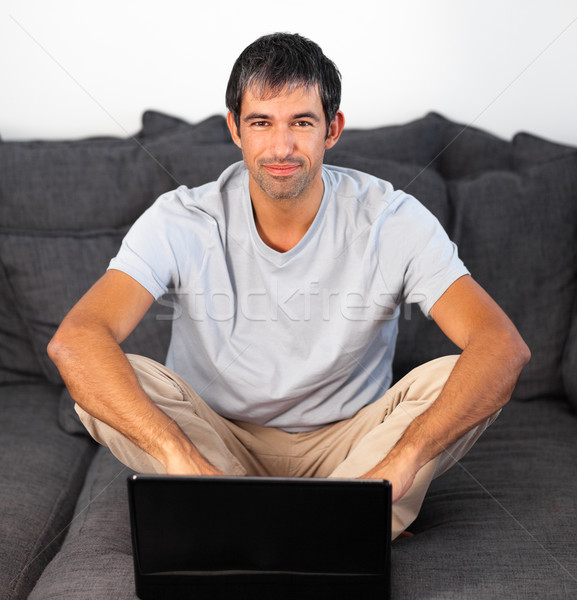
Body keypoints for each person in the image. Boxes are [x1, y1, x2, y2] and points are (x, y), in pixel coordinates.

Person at [48, 32, 530, 538]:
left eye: (302, 122)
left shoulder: (392, 217)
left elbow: (501, 346)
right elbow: (76, 339)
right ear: (235, 128)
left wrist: (404, 460)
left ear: (332, 129)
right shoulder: (182, 218)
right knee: (109, 373)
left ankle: (249, 521)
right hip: (217, 438)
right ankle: (336, 525)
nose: (281, 147)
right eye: (261, 122)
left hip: (350, 444)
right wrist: (179, 456)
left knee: (453, 376)